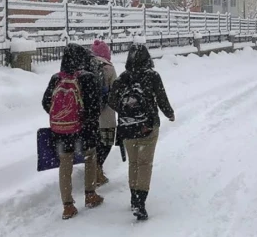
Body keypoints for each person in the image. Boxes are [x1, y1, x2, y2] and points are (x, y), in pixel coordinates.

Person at [108, 44, 175, 221]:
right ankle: (140, 201)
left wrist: (126, 110)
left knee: (134, 163)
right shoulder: (152, 76)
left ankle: (133, 197)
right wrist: (169, 113)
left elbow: (112, 101)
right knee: (145, 164)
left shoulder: (123, 77)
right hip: (148, 126)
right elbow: (161, 98)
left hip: (127, 127)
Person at [42, 43, 104, 220]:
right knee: (90, 158)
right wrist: (85, 119)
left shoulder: (56, 78)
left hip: (61, 131)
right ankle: (90, 195)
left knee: (65, 164)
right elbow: (94, 107)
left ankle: (68, 206)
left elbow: (46, 103)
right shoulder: (88, 78)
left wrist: (63, 116)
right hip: (84, 130)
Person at [90, 40, 117, 186]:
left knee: (93, 144)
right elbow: (116, 90)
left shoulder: (85, 66)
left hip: (89, 115)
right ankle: (98, 169)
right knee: (105, 143)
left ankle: (92, 170)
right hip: (106, 115)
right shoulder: (109, 68)